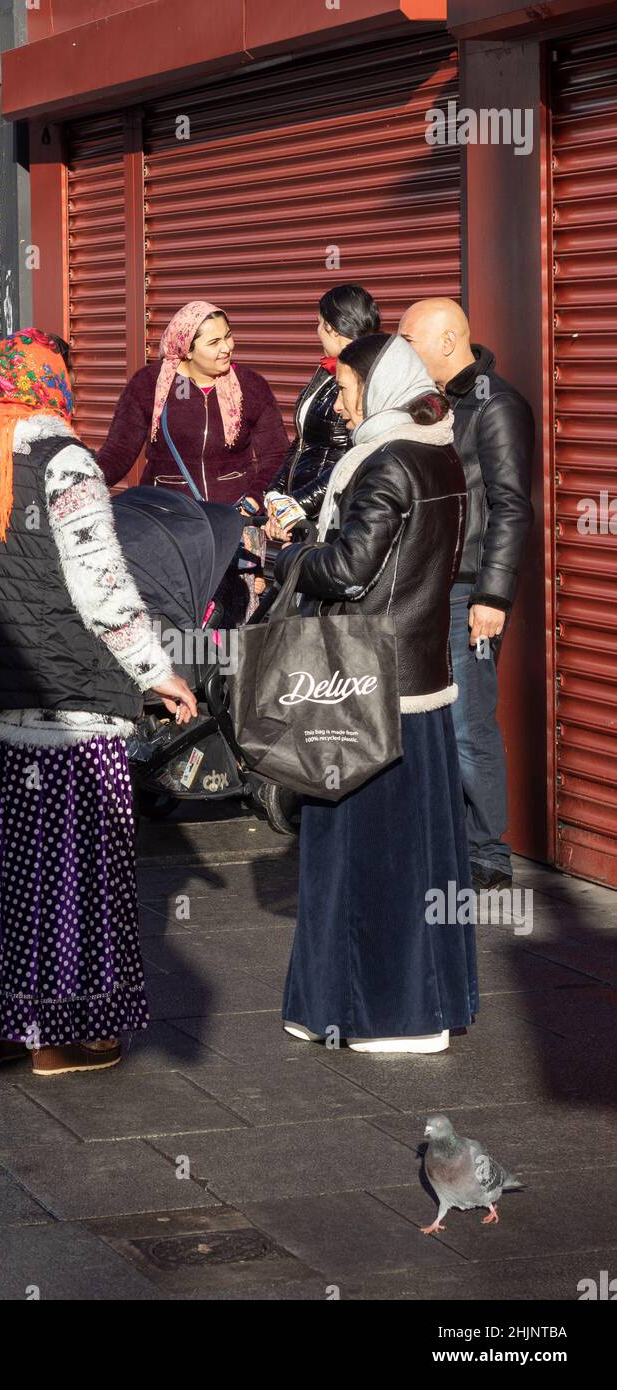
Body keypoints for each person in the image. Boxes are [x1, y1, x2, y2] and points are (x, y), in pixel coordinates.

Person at [0, 329, 196, 1078]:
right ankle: (62, 1041)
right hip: (61, 712)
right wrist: (158, 671)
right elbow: (103, 591)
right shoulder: (63, 462)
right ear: (51, 385)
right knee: (68, 880)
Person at [274, 333, 477, 1054]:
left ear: (382, 385)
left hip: (363, 680)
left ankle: (385, 1013)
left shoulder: (387, 463)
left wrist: (290, 554)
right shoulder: (439, 452)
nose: (342, 399)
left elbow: (350, 570)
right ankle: (425, 1002)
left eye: (351, 385)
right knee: (417, 852)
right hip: (417, 677)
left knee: (364, 854)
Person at [398, 299, 534, 891]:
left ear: (449, 340)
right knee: (424, 719)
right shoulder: (430, 403)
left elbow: (511, 507)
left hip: (467, 591)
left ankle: (487, 853)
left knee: (466, 722)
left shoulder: (496, 406)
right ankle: (444, 840)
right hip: (426, 585)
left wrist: (493, 596)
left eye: (409, 339)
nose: (400, 350)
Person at [96, 299, 289, 506]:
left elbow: (276, 455)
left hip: (233, 517)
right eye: (214, 342)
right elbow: (118, 453)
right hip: (168, 516)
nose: (227, 347)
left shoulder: (250, 385)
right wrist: (78, 485)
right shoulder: (148, 384)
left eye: (228, 336)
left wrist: (255, 499)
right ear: (187, 350)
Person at [263, 283, 381, 543]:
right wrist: (275, 494)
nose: (317, 332)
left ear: (332, 329)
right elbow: (302, 440)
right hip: (303, 516)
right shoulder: (326, 371)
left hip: (332, 518)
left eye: (319, 323)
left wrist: (299, 504)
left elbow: (356, 457)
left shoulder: (366, 379)